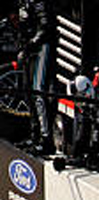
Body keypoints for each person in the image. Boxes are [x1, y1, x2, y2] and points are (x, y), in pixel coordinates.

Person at [16, 0, 55, 154]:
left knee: (37, 91)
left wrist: (31, 44)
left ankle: (46, 140)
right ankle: (35, 136)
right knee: (28, 93)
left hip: (41, 48)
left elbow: (45, 27)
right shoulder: (22, 2)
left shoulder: (39, 2)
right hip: (28, 48)